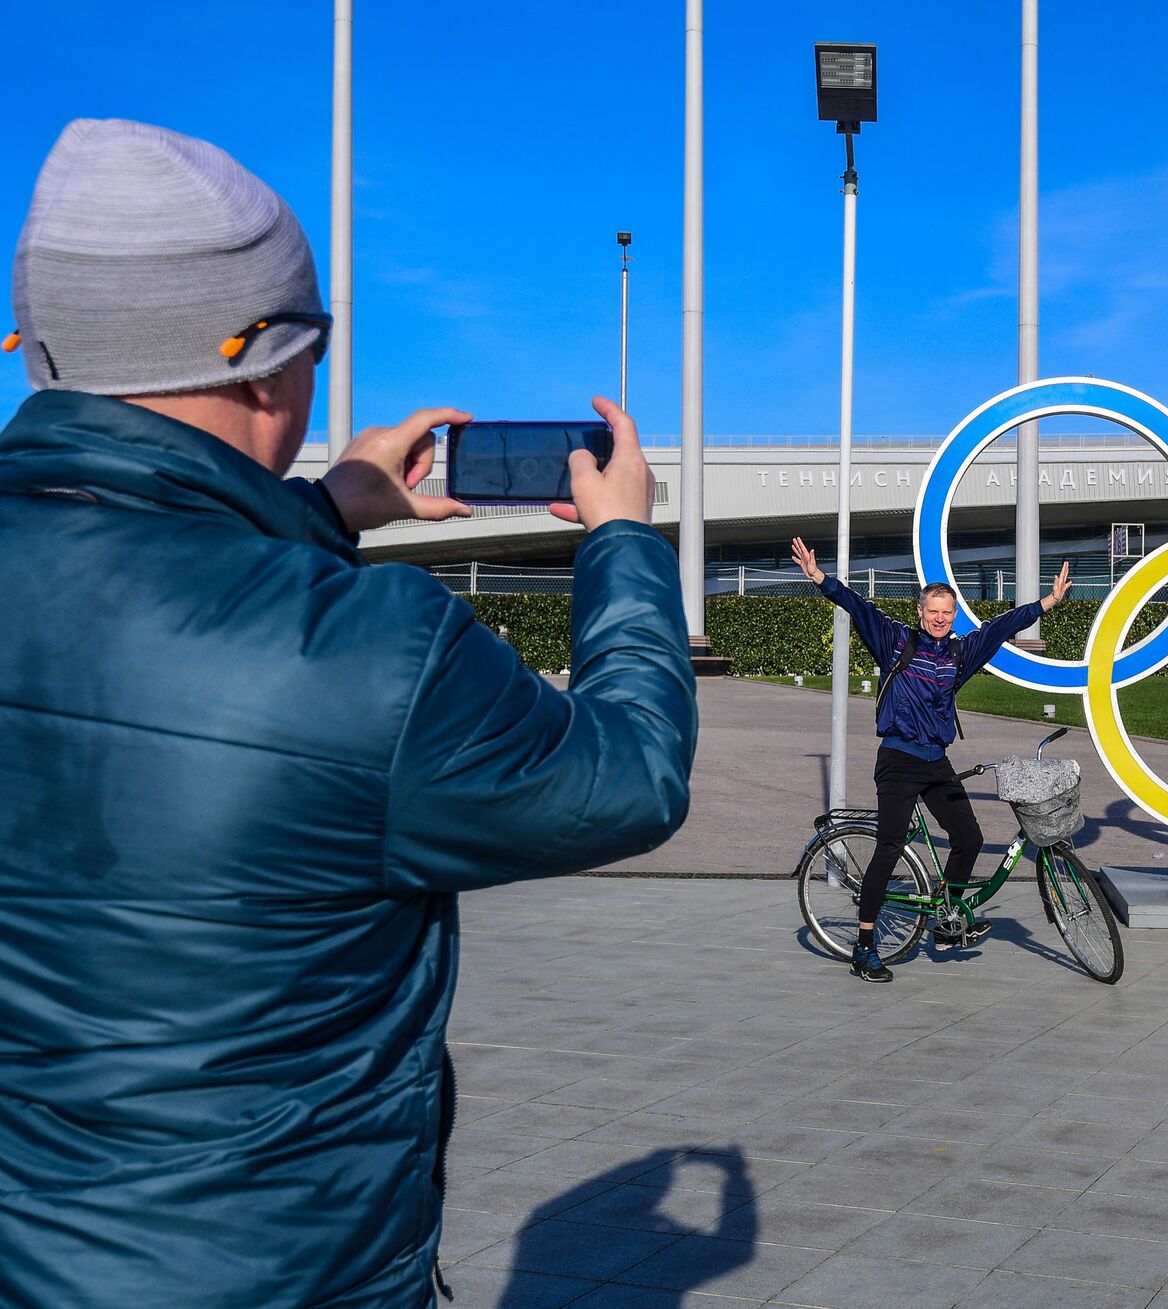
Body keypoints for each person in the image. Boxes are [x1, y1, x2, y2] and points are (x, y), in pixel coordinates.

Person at [0, 119, 696, 1308]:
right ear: (270, 360)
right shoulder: (378, 649)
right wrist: (624, 543)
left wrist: (323, 509)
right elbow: (627, 776)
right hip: (278, 1271)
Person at [789, 536, 1069, 982]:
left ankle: (948, 917)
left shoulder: (959, 654)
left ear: (953, 615)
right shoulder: (895, 641)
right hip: (898, 760)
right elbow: (857, 606)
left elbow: (998, 627)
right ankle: (864, 949)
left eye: (947, 612)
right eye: (932, 611)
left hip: (936, 761)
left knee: (970, 838)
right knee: (889, 847)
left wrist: (1046, 603)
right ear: (920, 613)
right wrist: (820, 578)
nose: (939, 619)